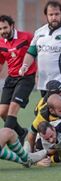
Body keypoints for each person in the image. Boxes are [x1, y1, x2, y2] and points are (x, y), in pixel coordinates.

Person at [0, 15, 37, 145]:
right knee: (2, 113)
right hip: (11, 79)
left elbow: (38, 51)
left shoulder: (27, 37)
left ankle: (5, 140)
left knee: (13, 107)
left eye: (5, 27)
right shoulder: (0, 43)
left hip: (26, 78)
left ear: (12, 26)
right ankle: (21, 132)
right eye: (0, 29)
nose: (3, 31)